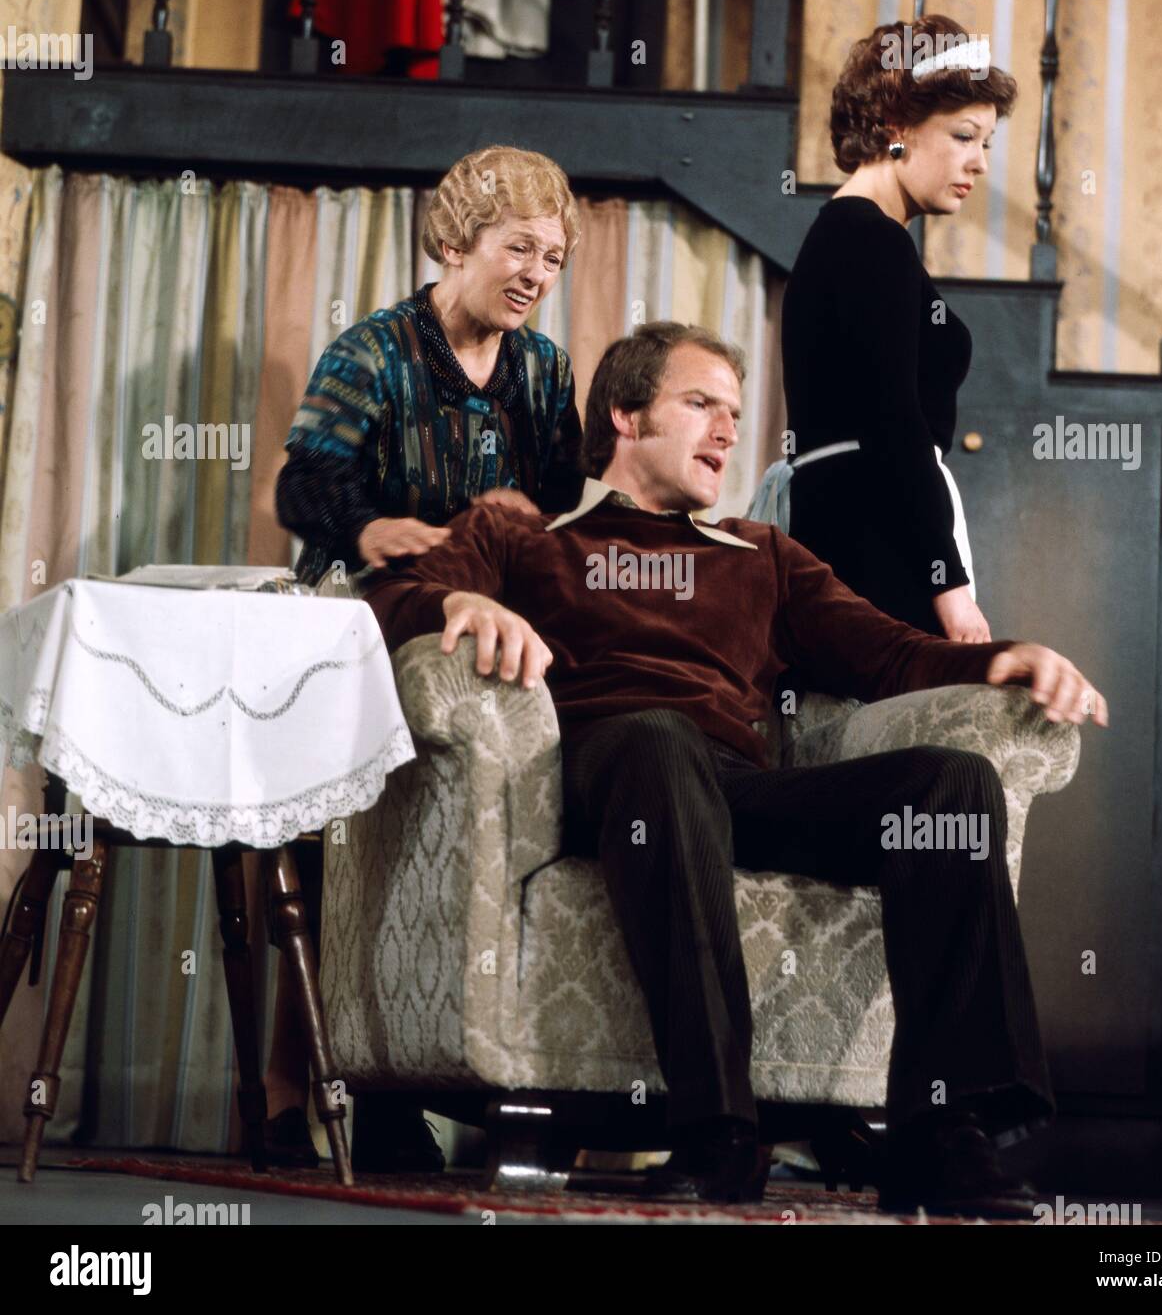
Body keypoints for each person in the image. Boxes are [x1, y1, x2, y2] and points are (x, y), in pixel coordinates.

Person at [358, 321, 1108, 1212]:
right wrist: (463, 596)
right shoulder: (527, 535)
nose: (725, 430)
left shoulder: (761, 555)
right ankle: (717, 1128)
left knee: (950, 783)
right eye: (699, 403)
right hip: (603, 771)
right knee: (657, 740)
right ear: (626, 415)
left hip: (733, 783)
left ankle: (940, 1132)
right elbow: (389, 602)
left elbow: (890, 656)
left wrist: (1004, 657)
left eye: (734, 412)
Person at [272, 145, 585, 1172]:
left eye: (554, 256)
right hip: (371, 617)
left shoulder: (541, 368)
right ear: (454, 243)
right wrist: (372, 530)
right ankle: (343, 1093)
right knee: (352, 853)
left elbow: (555, 505)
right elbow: (303, 487)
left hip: (485, 629)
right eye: (520, 248)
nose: (539, 273)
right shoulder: (371, 354)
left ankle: (482, 1081)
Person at [753, 15, 1013, 643]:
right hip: (873, 534)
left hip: (860, 521)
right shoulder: (869, 237)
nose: (979, 164)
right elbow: (894, 424)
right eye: (963, 136)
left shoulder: (856, 234)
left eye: (986, 143)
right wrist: (948, 588)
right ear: (896, 129)